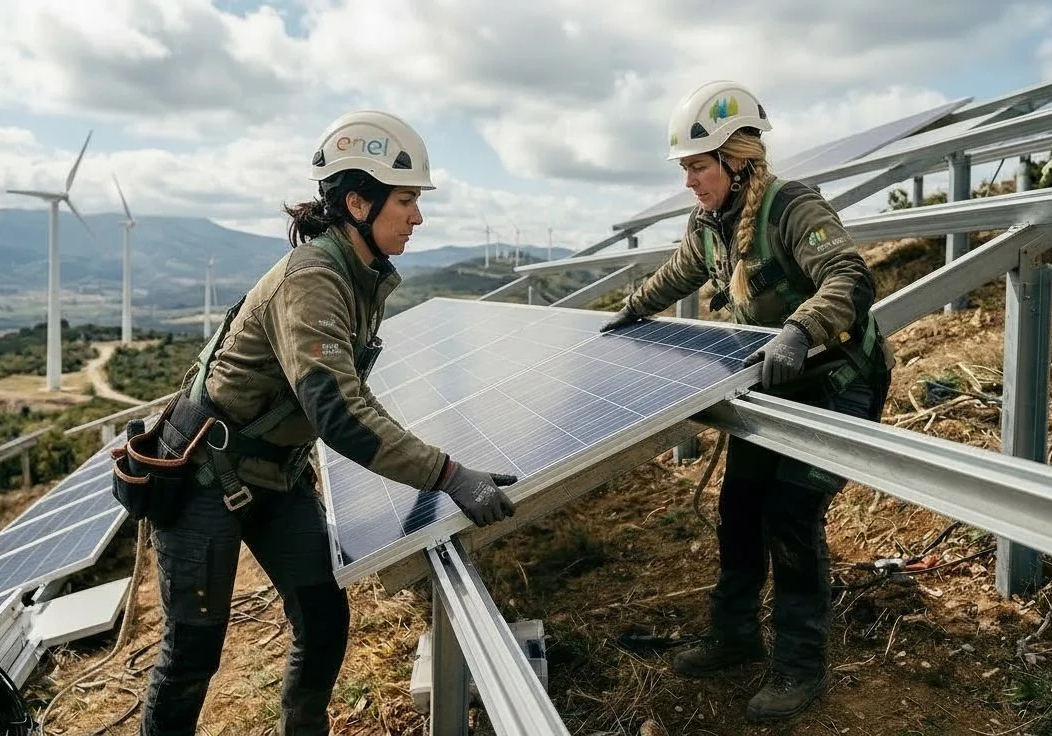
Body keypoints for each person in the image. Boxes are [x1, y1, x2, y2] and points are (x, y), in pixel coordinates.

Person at [139, 110, 518, 736]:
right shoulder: (315, 277)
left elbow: (350, 396)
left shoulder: (359, 277)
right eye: (406, 201)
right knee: (192, 655)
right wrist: (448, 475)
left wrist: (438, 468)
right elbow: (338, 415)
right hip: (207, 471)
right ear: (357, 203)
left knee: (322, 620)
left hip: (275, 475)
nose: (418, 217)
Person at [600, 81, 893, 722]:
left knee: (790, 514)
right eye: (684, 169)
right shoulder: (709, 224)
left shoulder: (792, 208)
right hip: (779, 387)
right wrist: (633, 309)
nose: (688, 182)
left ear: (736, 161)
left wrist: (801, 329)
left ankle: (799, 665)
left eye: (697, 167)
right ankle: (733, 635)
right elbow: (679, 270)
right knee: (739, 508)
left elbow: (849, 276)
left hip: (838, 383)